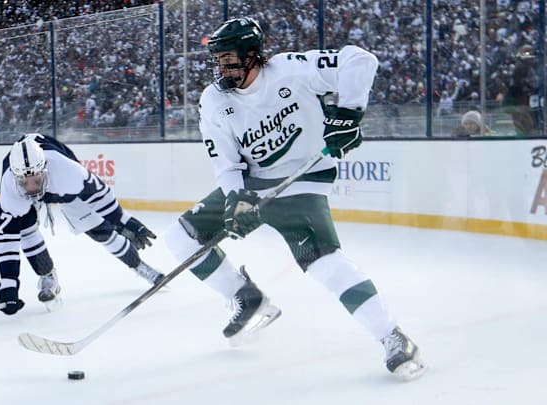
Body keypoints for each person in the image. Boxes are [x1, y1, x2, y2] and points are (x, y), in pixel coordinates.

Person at [162, 17, 425, 381]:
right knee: (180, 236)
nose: (221, 68)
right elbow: (225, 164)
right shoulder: (214, 100)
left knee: (324, 265)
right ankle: (247, 298)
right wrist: (236, 198)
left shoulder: (291, 69)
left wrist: (349, 113)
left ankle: (392, 337)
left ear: (252, 55)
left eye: (229, 59)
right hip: (253, 182)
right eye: (218, 60)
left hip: (303, 180)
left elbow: (360, 60)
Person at [0, 133, 164, 315]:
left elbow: (100, 196)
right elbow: (6, 239)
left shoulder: (68, 173)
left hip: (59, 185)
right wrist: (8, 284)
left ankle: (138, 265)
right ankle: (47, 275)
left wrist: (124, 221)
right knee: (25, 230)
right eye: (24, 182)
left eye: (36, 181)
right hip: (34, 187)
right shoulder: (9, 188)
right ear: (14, 177)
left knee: (100, 230)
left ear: (45, 170)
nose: (31, 188)